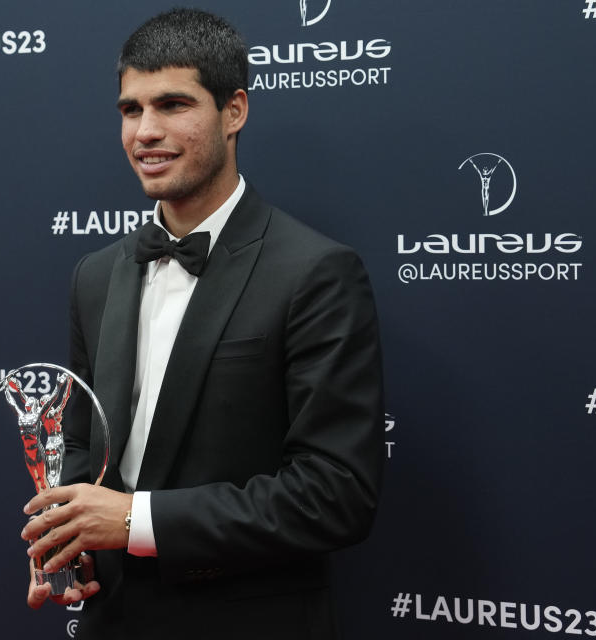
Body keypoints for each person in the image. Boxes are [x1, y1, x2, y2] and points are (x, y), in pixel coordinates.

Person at [20, 8, 384, 638]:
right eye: (131, 110)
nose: (146, 132)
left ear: (234, 110)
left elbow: (336, 494)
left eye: (173, 104)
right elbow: (83, 446)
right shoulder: (97, 273)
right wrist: (69, 532)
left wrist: (133, 521)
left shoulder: (315, 272)